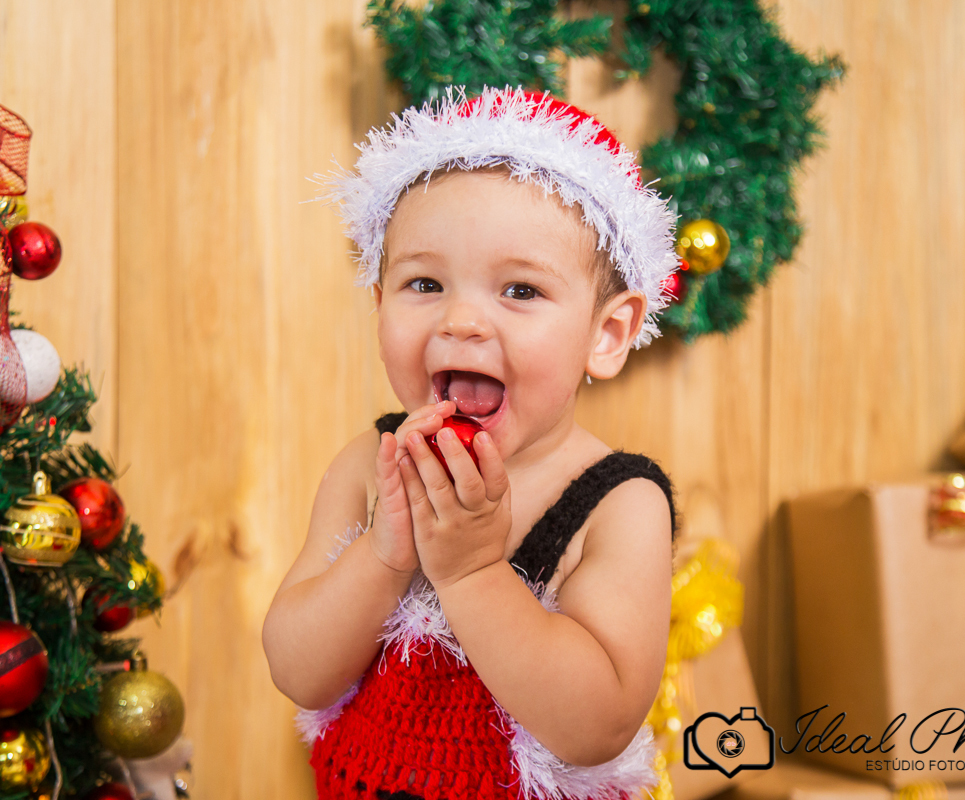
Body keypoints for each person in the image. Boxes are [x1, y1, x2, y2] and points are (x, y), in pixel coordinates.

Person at [262, 86, 680, 800]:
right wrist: (385, 554)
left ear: (606, 334)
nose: (460, 321)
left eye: (520, 291)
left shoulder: (620, 504)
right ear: (379, 303)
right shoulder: (370, 468)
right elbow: (297, 672)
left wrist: (472, 575)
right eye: (424, 282)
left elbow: (598, 726)